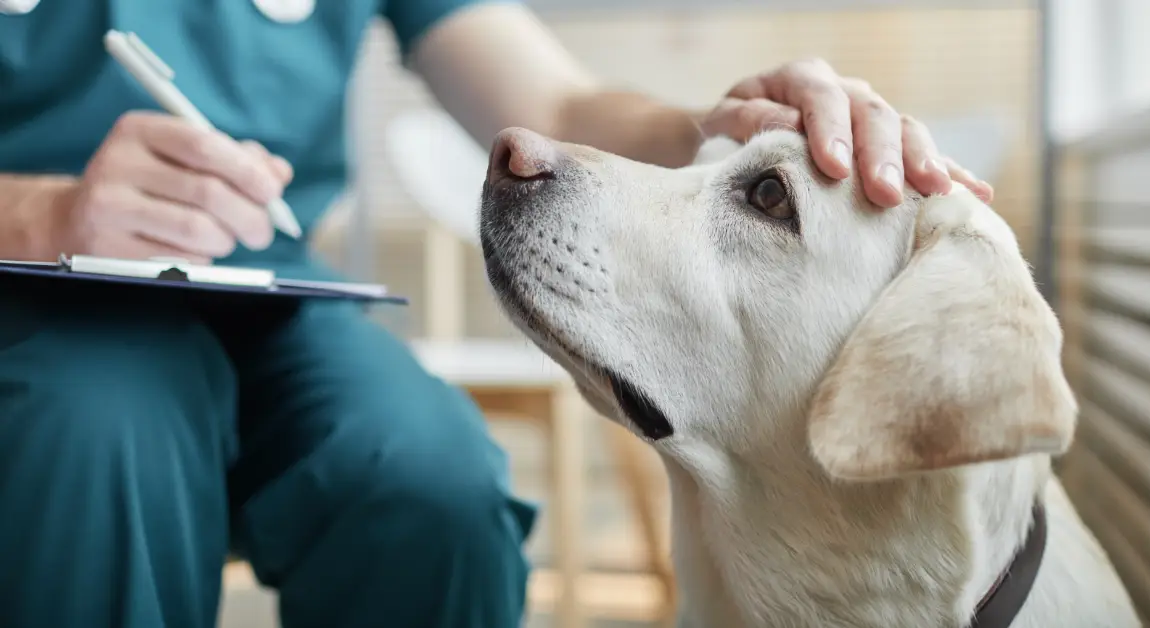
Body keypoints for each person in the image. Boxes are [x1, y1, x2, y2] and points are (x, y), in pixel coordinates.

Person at [0, 1, 993, 627]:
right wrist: (41, 211)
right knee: (95, 434)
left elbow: (556, 105)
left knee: (434, 481)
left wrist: (715, 125)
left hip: (269, 296)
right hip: (25, 291)